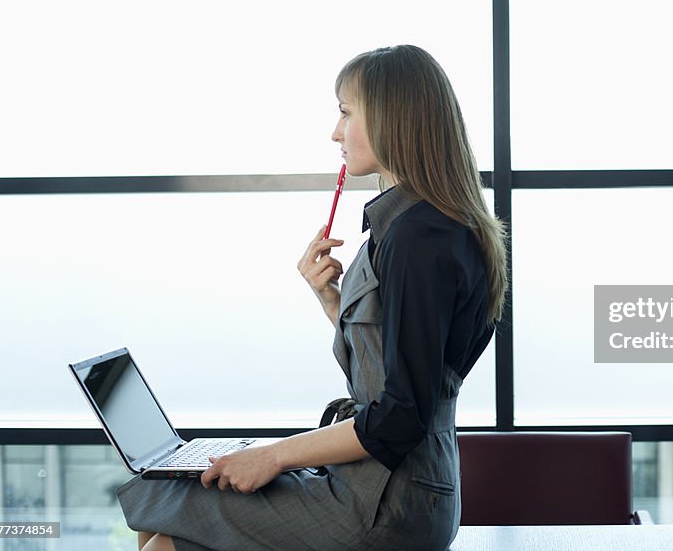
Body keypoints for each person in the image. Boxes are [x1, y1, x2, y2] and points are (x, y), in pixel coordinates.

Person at [117, 45, 508, 550]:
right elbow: (401, 369)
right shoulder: (421, 227)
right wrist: (333, 303)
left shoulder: (419, 238)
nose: (335, 131)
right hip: (399, 491)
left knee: (170, 501)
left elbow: (399, 415)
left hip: (387, 503)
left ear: (394, 117)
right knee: (168, 510)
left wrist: (274, 456)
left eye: (346, 112)